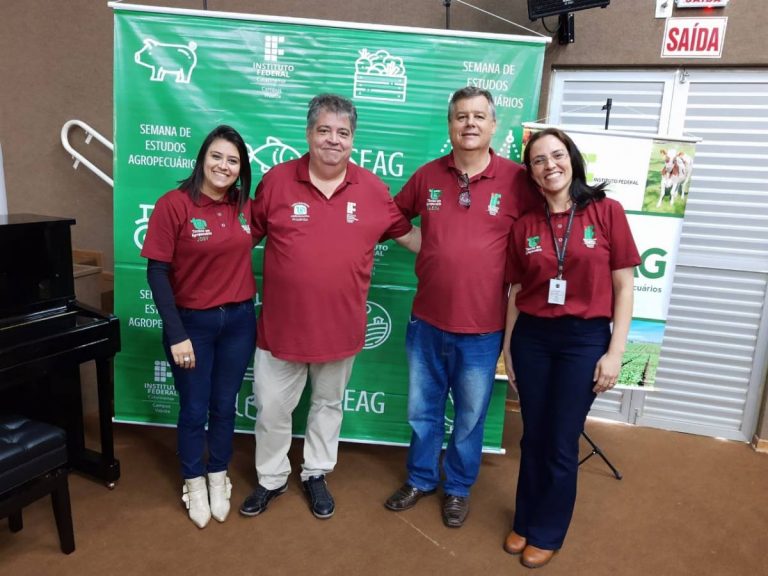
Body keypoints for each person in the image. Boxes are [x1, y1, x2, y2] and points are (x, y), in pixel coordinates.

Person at [239, 93, 420, 521]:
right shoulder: (276, 181)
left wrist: (466, 250)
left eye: (342, 132)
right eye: (324, 130)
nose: (333, 140)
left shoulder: (373, 189)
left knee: (327, 406)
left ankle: (316, 471)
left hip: (341, 328)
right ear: (308, 134)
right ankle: (271, 477)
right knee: (271, 407)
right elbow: (241, 237)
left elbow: (410, 237)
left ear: (353, 139)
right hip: (281, 328)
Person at [384, 86, 537, 528]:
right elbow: (394, 217)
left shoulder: (518, 181)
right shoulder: (428, 176)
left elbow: (540, 232)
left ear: (494, 125)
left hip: (484, 329)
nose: (469, 123)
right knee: (422, 412)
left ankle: (457, 488)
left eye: (478, 116)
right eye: (461, 116)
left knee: (469, 417)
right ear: (450, 124)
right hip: (427, 323)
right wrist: (425, 244)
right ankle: (420, 478)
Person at [501, 127, 640, 568]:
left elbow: (624, 287)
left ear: (573, 159)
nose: (550, 165)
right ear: (530, 172)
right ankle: (525, 520)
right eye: (539, 160)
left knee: (561, 439)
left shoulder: (606, 211)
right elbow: (516, 291)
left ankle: (547, 531)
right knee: (533, 436)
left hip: (584, 340)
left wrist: (615, 353)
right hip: (532, 340)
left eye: (557, 155)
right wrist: (508, 349)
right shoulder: (525, 224)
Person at [141, 125, 257, 529]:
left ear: (241, 169)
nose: (223, 166)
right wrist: (176, 334)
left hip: (240, 322)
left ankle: (218, 475)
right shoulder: (174, 204)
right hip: (193, 326)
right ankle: (193, 480)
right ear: (202, 159)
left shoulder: (244, 206)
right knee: (194, 408)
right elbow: (157, 273)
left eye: (233, 160)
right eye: (217, 156)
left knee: (225, 405)